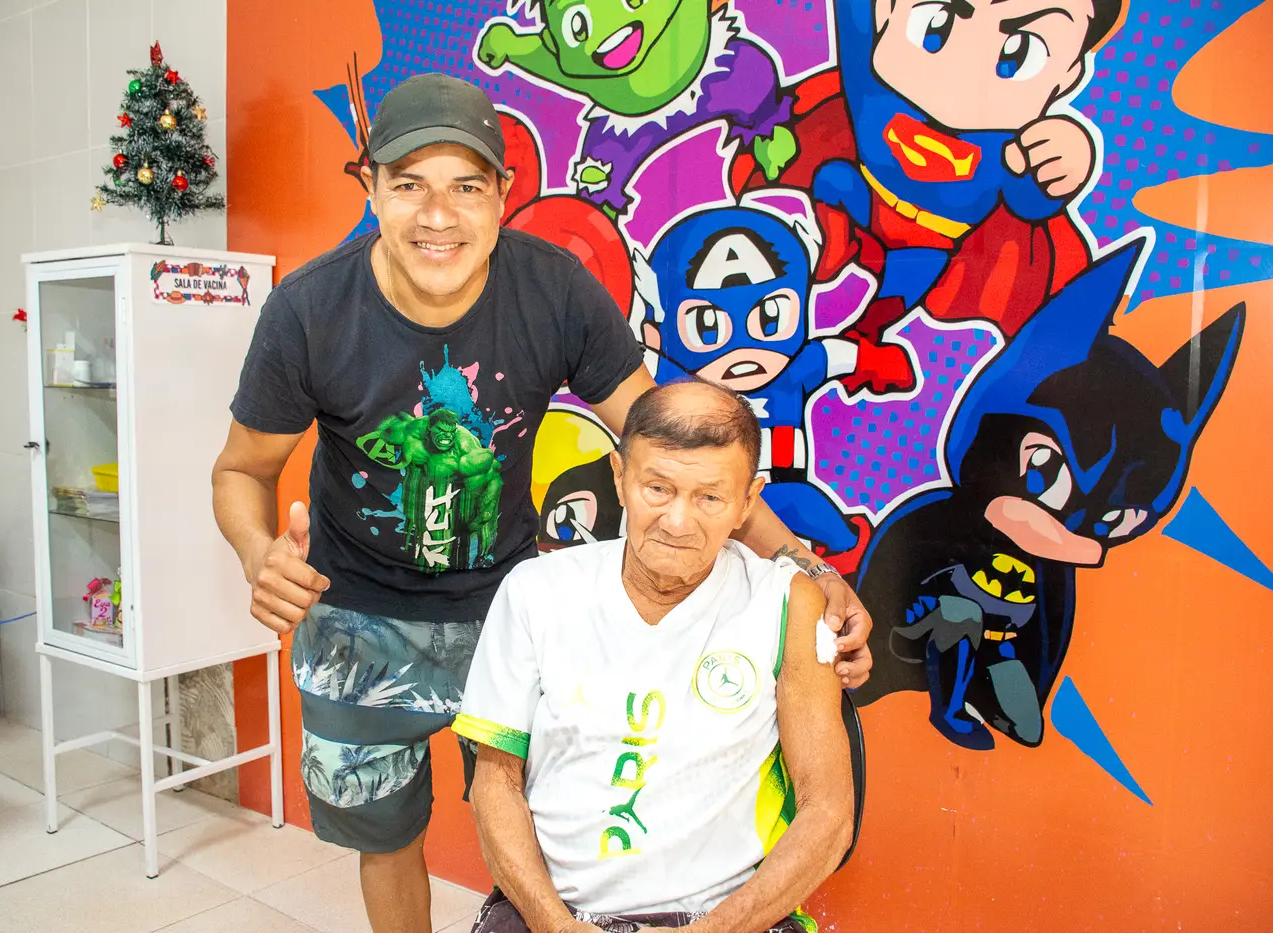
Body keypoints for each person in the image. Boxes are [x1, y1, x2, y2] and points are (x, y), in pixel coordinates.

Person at [211, 71, 871, 933]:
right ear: (369, 186)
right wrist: (258, 553)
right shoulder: (308, 311)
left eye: (465, 187)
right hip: (357, 616)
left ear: (503, 193)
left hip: (506, 603)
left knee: (538, 813)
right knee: (386, 837)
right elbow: (239, 471)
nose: (437, 216)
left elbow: (673, 449)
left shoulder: (553, 289)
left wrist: (803, 565)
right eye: (408, 184)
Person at [455, 380, 854, 933]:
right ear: (620, 478)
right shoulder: (536, 591)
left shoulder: (787, 603)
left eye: (710, 497)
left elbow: (828, 813)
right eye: (658, 489)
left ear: (747, 501)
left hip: (725, 915)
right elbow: (495, 783)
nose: (678, 522)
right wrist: (557, 926)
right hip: (557, 911)